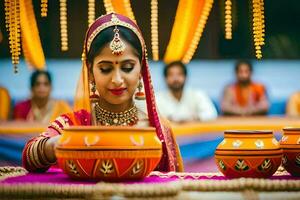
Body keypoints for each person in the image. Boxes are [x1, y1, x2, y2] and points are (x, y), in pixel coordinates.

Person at [22, 13, 183, 173]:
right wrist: (56, 145)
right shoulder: (74, 125)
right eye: (105, 69)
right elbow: (29, 157)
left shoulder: (157, 131)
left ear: (141, 70)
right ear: (90, 72)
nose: (117, 79)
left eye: (127, 68)